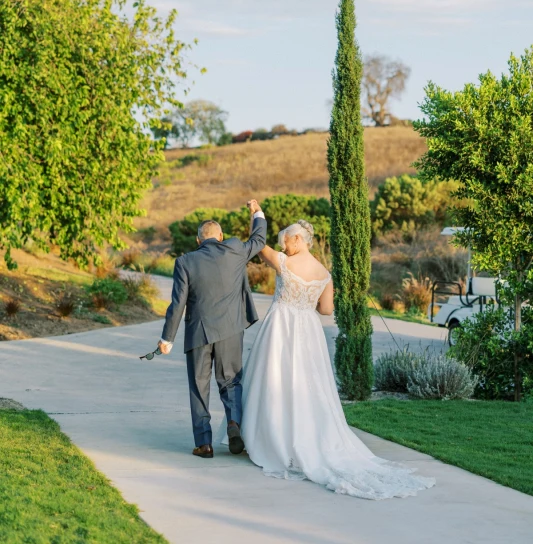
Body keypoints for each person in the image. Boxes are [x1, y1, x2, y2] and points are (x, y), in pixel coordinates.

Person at [239, 219, 436, 499]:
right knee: (308, 384)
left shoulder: (283, 261)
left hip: (281, 326)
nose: (283, 244)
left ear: (298, 239)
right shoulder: (324, 273)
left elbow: (258, 246)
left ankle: (270, 440)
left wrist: (256, 216)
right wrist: (308, 300)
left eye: (286, 240)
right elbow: (327, 310)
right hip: (308, 330)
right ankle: (303, 437)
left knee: (274, 378)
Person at [157, 199, 266, 459]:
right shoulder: (236, 249)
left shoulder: (185, 262)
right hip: (231, 330)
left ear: (198, 241)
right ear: (221, 236)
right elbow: (259, 239)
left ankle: (204, 444)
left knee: (199, 386)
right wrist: (257, 213)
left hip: (199, 333)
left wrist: (167, 338)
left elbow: (177, 303)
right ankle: (234, 424)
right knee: (231, 381)